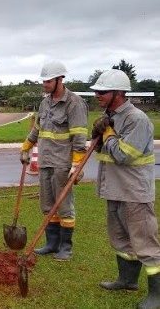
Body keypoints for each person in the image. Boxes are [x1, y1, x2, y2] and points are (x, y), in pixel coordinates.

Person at [91, 69, 160, 309]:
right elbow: (102, 152)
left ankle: (157, 296)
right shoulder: (109, 116)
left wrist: (108, 135)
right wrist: (97, 135)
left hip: (134, 192)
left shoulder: (136, 119)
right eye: (97, 91)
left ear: (119, 93)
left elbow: (123, 155)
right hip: (114, 189)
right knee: (120, 240)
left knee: (146, 244)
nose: (97, 95)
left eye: (102, 91)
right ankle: (127, 280)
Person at [20, 60, 88, 261]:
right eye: (43, 81)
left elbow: (79, 136)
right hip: (46, 161)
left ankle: (66, 247)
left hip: (63, 163)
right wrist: (26, 146)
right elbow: (37, 129)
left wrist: (77, 164)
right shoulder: (45, 102)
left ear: (60, 80)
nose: (44, 84)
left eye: (48, 81)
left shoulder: (74, 103)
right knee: (48, 204)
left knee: (64, 205)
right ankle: (52, 244)